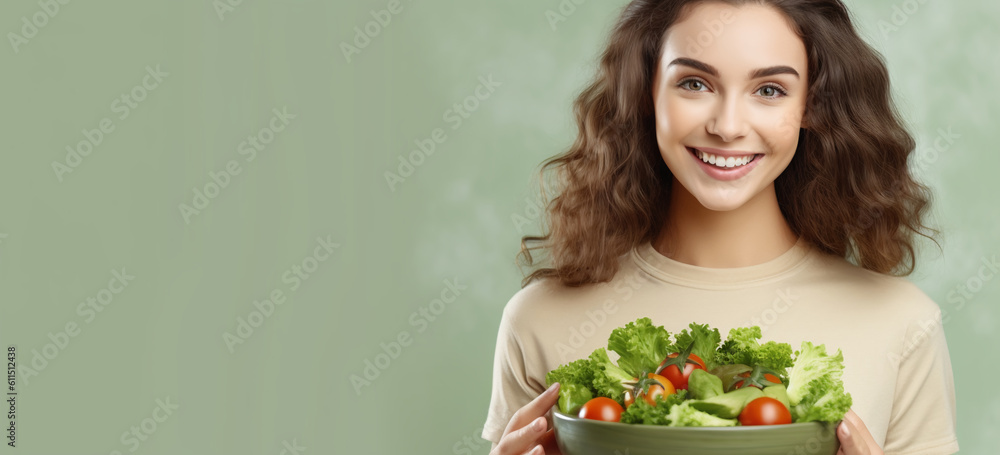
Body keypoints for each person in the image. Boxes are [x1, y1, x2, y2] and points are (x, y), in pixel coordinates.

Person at [482, 0, 960, 454]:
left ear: (812, 107)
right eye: (694, 83)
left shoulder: (903, 324)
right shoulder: (537, 319)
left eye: (769, 90)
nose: (728, 126)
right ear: (646, 93)